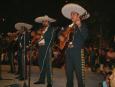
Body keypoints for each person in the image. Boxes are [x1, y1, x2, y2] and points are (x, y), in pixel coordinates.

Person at [61, 3, 90, 87]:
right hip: (68, 52)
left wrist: (79, 24)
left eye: (74, 14)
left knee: (80, 75)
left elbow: (86, 37)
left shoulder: (83, 25)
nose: (72, 15)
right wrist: (61, 37)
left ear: (78, 16)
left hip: (78, 53)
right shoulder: (68, 26)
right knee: (69, 74)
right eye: (71, 14)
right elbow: (60, 33)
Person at [33, 15, 56, 87]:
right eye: (42, 21)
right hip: (41, 48)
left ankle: (50, 83)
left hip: (47, 48)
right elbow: (38, 40)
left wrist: (41, 35)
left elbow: (51, 39)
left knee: (48, 66)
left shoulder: (51, 29)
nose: (43, 22)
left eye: (45, 21)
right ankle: (41, 80)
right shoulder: (41, 29)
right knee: (41, 64)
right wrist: (37, 38)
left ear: (48, 22)